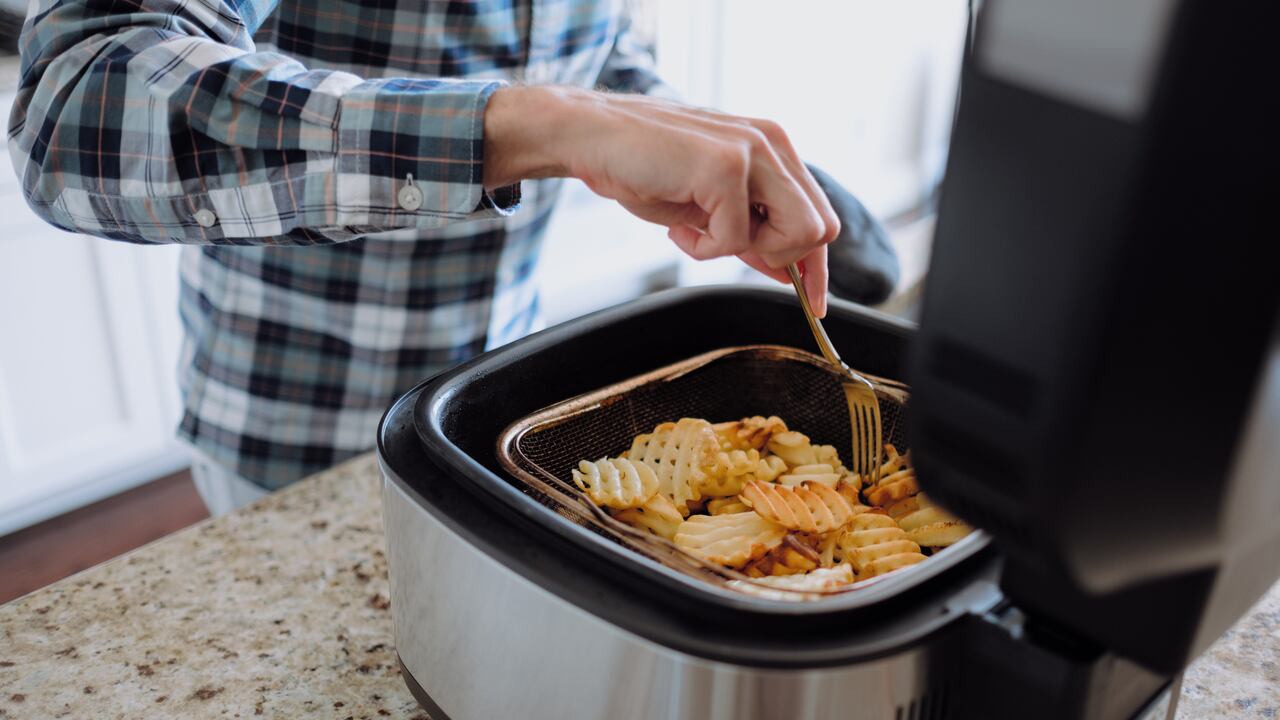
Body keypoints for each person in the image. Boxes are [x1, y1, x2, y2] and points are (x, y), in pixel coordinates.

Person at [9, 0, 844, 515]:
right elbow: (75, 108)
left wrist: (674, 132)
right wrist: (543, 126)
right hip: (298, 442)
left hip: (502, 410)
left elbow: (591, 45)